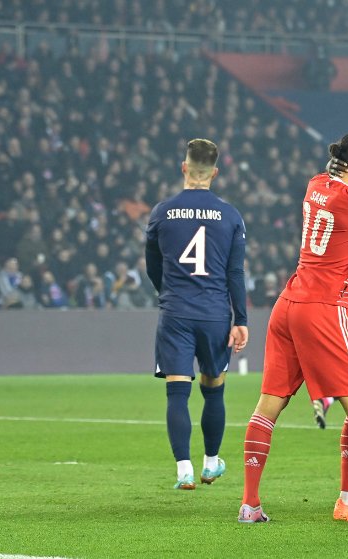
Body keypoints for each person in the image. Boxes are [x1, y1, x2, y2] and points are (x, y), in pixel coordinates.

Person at [238, 133, 348, 526]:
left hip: (288, 302)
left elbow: (347, 182)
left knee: (269, 404)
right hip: (326, 307)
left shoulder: (315, 186)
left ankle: (250, 504)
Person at [145, 138, 249, 490]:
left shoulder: (162, 212)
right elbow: (235, 273)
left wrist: (170, 293)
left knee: (177, 392)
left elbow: (152, 265)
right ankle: (210, 463)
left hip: (176, 312)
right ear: (215, 173)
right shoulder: (230, 215)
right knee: (214, 389)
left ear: (184, 168)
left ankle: (184, 470)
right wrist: (242, 320)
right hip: (215, 313)